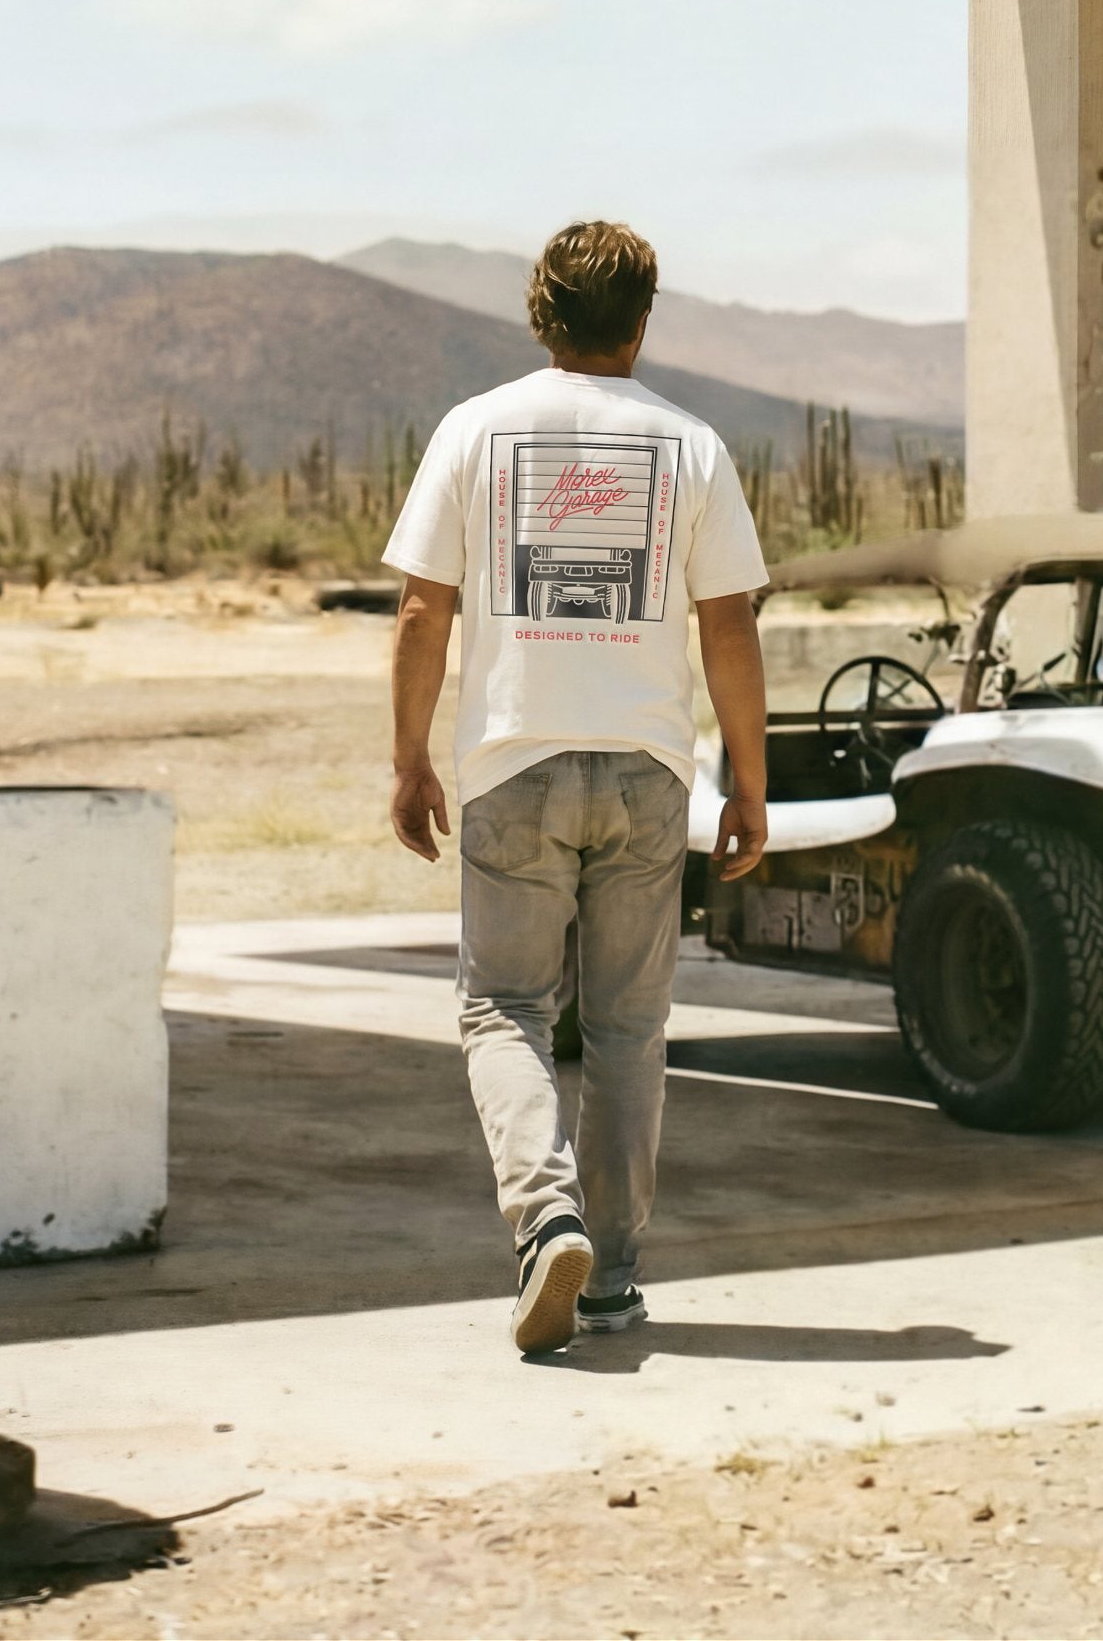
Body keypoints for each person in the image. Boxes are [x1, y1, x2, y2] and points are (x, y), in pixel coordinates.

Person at [384, 219, 769, 1354]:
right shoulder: (691, 444)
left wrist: (408, 758)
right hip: (649, 770)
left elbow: (422, 611)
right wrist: (749, 778)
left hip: (513, 761)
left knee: (503, 1007)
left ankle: (544, 1216)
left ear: (538, 314)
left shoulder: (474, 430)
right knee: (629, 1026)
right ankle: (613, 1278)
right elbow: (730, 622)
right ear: (643, 320)